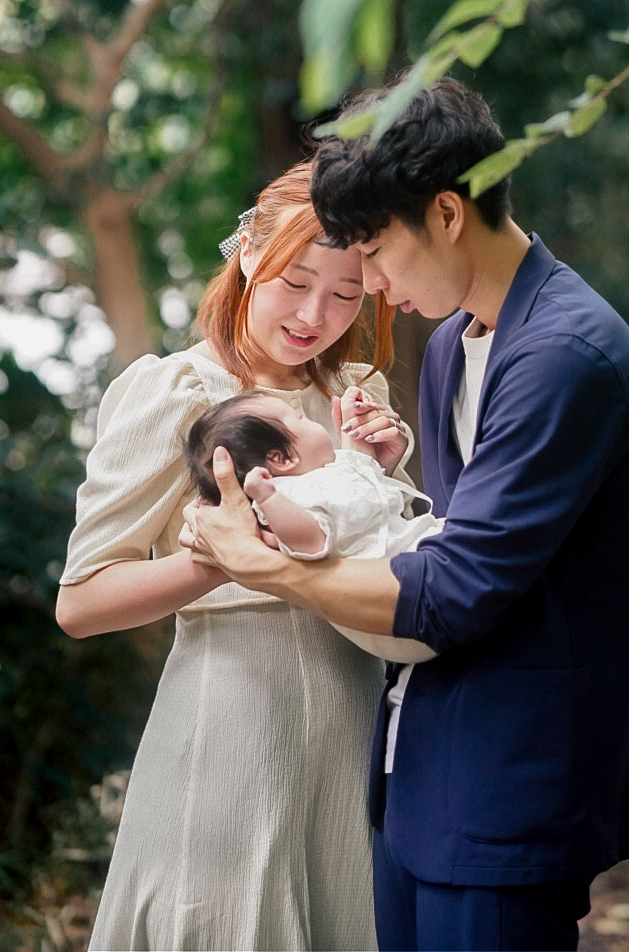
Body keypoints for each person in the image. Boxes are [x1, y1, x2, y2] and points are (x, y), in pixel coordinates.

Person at [184, 78, 629, 952]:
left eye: (373, 252)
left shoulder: (565, 354)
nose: (367, 285)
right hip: (419, 772)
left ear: (447, 213)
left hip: (511, 787)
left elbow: (453, 592)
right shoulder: (454, 342)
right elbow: (447, 534)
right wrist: (382, 477)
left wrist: (269, 566)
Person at [55, 160, 410, 952]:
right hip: (230, 731)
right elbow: (80, 601)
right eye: (296, 281)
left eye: (347, 293)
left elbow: (389, 561)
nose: (315, 314)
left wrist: (375, 474)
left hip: (356, 723)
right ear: (249, 252)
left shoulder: (361, 397)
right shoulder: (177, 392)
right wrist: (221, 563)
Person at [182, 387, 440, 663]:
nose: (310, 419)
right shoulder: (287, 499)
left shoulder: (326, 473)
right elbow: (311, 543)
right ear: (282, 458)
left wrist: (353, 419)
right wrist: (268, 497)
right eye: (300, 418)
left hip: (408, 574)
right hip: (391, 611)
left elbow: (359, 467)